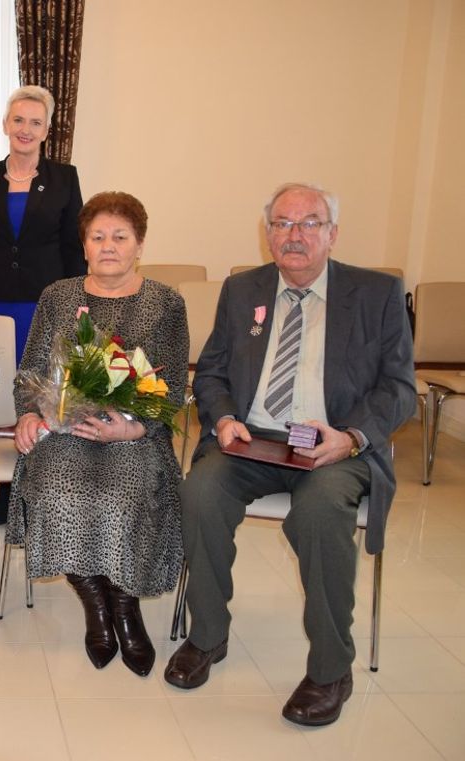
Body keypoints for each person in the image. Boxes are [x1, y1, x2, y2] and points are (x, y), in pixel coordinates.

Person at [163, 183, 414, 726]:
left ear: (332, 233)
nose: (294, 235)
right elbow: (211, 372)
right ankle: (208, 635)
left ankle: (330, 669)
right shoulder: (242, 289)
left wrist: (350, 438)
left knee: (321, 514)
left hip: (334, 445)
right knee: (200, 492)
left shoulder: (376, 294)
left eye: (309, 223)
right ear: (267, 232)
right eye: (281, 223)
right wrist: (225, 418)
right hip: (254, 438)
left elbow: (399, 388)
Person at [7, 191, 187, 676]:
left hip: (134, 434)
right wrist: (28, 413)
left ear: (139, 244)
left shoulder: (166, 302)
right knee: (59, 489)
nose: (108, 246)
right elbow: (32, 370)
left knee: (124, 493)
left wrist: (135, 427)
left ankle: (125, 606)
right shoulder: (58, 296)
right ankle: (95, 604)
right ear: (83, 244)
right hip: (62, 429)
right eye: (97, 236)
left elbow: (172, 388)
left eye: (120, 237)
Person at [0, 85, 86, 526]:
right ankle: (5, 492)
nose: (25, 129)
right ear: (5, 125)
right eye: (18, 120)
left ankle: (35, 491)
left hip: (44, 304)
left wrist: (76, 304)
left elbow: (74, 248)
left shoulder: (65, 178)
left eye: (35, 122)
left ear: (47, 130)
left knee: (39, 397)